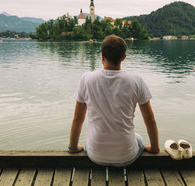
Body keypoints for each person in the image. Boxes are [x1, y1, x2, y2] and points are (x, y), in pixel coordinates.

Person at [68, 34, 160, 166]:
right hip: (126, 156)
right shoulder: (136, 80)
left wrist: (73, 147)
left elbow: (78, 118)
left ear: (102, 56)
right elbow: (149, 119)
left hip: (96, 154)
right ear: (123, 57)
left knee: (90, 140)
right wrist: (155, 148)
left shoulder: (86, 79)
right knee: (138, 138)